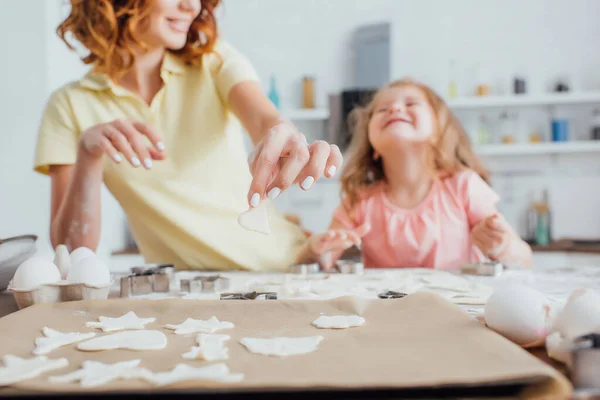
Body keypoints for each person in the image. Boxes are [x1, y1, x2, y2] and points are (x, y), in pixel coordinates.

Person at [34, 0, 342, 271]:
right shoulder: (69, 105)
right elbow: (72, 251)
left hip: (287, 265)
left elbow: (264, 118)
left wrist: (283, 133)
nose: (191, 6)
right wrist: (88, 155)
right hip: (188, 290)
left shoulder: (214, 62)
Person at [299, 79, 532, 270]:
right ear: (374, 147)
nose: (395, 108)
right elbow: (324, 259)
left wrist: (502, 247)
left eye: (411, 104)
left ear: (437, 132)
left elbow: (525, 259)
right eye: (382, 109)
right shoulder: (360, 200)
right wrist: (316, 250)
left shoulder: (464, 186)